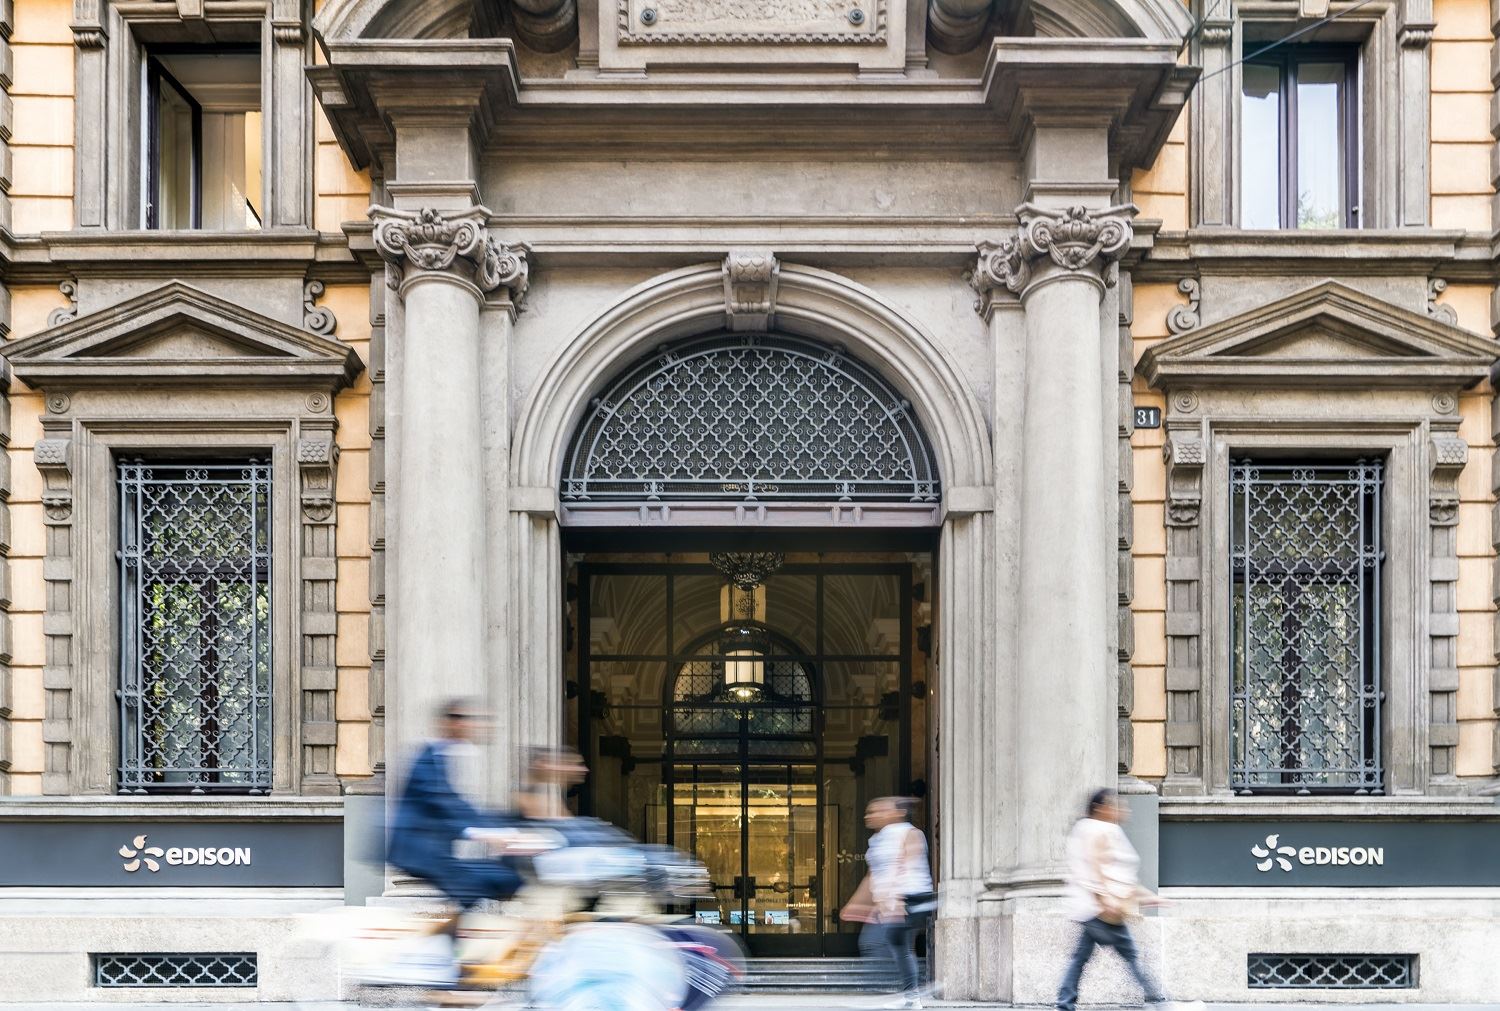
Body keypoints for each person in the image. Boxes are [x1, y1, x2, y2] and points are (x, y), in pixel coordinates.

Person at [387, 698, 522, 913]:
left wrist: (501, 828)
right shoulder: (429, 756)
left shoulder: (453, 753)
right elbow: (443, 803)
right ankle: (444, 938)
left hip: (436, 851)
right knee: (488, 885)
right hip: (420, 852)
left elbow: (462, 806)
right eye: (466, 719)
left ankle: (452, 935)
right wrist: (486, 834)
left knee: (495, 883)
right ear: (451, 723)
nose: (474, 726)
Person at [1055, 788, 1169, 1011]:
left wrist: (1147, 897)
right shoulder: (1097, 830)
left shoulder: (1096, 828)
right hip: (1103, 910)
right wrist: (1104, 898)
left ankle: (1064, 1003)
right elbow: (1095, 865)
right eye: (1114, 805)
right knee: (1131, 955)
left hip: (1098, 908)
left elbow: (1118, 873)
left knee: (1080, 957)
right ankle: (1159, 1001)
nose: (1119, 809)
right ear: (1100, 808)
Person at [841, 796, 935, 1009]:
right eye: (870, 812)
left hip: (912, 896)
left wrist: (897, 897)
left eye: (878, 810)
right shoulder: (876, 841)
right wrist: (856, 903)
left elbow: (907, 863)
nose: (871, 815)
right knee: (893, 943)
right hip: (892, 900)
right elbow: (872, 876)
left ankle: (912, 992)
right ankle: (911, 993)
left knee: (893, 941)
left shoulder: (910, 833)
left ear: (897, 813)